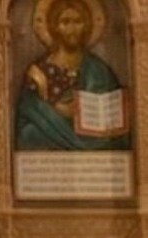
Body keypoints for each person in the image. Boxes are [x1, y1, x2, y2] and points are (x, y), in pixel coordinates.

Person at [17, 0, 129, 150]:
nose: (72, 29)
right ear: (54, 26)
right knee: (31, 133)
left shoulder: (99, 69)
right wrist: (55, 109)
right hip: (48, 146)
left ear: (87, 25)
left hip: (97, 146)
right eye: (65, 22)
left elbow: (115, 118)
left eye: (78, 21)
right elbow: (28, 112)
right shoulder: (39, 73)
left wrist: (79, 111)